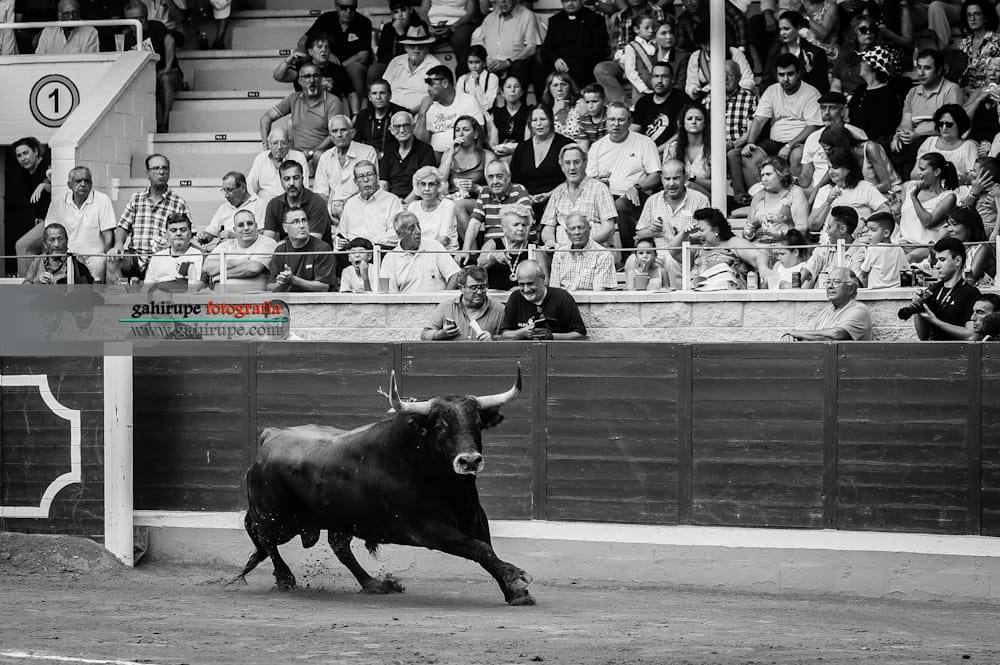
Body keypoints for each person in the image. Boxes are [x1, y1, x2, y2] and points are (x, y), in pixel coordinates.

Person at [728, 53, 823, 205]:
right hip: (775, 141)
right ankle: (761, 200)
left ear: (799, 72)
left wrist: (789, 145)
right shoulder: (772, 91)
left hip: (800, 142)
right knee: (748, 156)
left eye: (790, 74)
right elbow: (759, 120)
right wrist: (750, 142)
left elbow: (813, 126)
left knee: (797, 155)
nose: (785, 79)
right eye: (781, 75)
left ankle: (793, 201)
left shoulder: (811, 93)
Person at [586, 102, 661, 250]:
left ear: (630, 122)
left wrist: (636, 187)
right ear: (606, 121)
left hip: (637, 197)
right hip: (605, 198)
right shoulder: (597, 147)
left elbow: (656, 175)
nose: (616, 124)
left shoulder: (644, 143)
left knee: (620, 204)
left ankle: (629, 253)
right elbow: (589, 180)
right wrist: (599, 182)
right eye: (611, 119)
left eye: (621, 120)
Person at [110, 153, 190, 280]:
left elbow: (188, 235)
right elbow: (123, 227)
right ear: (147, 173)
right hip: (135, 257)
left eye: (165, 168)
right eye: (156, 168)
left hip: (164, 256)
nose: (161, 172)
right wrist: (118, 244)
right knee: (113, 260)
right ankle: (117, 299)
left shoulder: (178, 203)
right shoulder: (136, 199)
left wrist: (170, 245)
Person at [890, 49, 964, 178]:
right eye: (919, 68)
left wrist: (917, 134)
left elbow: (951, 123)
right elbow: (906, 122)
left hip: (936, 137)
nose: (921, 73)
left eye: (927, 68)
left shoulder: (951, 89)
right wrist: (899, 136)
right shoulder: (913, 92)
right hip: (914, 137)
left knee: (912, 150)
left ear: (939, 70)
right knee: (890, 145)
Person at [259, 63, 343, 169]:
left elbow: (334, 134)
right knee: (277, 153)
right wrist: (265, 145)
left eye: (315, 76)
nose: (312, 80)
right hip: (296, 154)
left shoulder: (333, 101)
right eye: (307, 76)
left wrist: (311, 153)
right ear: (300, 81)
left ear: (321, 79)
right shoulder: (294, 98)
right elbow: (266, 118)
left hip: (323, 153)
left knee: (319, 156)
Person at [635, 159, 708, 275]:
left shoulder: (700, 200)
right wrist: (652, 231)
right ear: (661, 178)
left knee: (669, 259)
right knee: (631, 262)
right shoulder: (653, 200)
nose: (671, 183)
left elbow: (707, 236)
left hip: (687, 251)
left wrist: (682, 234)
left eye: (676, 178)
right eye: (667, 179)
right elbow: (640, 233)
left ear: (685, 177)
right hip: (658, 252)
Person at [43, 166, 115, 282]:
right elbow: (49, 234)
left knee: (98, 269)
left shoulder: (102, 200)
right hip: (67, 255)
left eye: (86, 181)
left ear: (91, 184)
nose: (83, 184)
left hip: (95, 257)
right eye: (78, 181)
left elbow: (108, 236)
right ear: (69, 185)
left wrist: (108, 256)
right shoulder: (58, 202)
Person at [669, 207, 769, 290]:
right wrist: (684, 233)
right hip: (698, 296)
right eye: (697, 230)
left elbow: (759, 256)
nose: (698, 234)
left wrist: (763, 268)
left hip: (728, 295)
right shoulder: (698, 250)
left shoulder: (732, 243)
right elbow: (673, 251)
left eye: (702, 230)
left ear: (716, 229)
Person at [121, 1, 183, 134]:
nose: (139, 21)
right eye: (134, 19)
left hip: (169, 74)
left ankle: (164, 123)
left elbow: (170, 41)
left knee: (165, 78)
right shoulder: (127, 37)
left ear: (146, 16)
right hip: (145, 80)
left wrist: (166, 68)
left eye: (141, 17)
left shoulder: (156, 26)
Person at [541, 143, 617, 249]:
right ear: (562, 166)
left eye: (576, 162)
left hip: (594, 250)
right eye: (567, 163)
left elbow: (609, 228)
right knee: (539, 256)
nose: (572, 167)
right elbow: (548, 228)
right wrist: (551, 243)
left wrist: (582, 244)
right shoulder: (557, 192)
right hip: (561, 252)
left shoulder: (600, 189)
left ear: (585, 163)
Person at [299, 0, 373, 105]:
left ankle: (357, 115)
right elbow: (302, 42)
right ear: (336, 6)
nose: (348, 11)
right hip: (326, 64)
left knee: (354, 69)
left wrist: (340, 67)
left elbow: (363, 56)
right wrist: (326, 55)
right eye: (344, 7)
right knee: (309, 65)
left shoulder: (363, 22)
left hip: (350, 66)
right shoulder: (326, 19)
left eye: (352, 8)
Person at [592, 0, 666, 104]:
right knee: (601, 69)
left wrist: (637, 65)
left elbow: (660, 40)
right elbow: (617, 47)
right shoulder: (621, 16)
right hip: (625, 61)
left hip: (649, 62)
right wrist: (626, 66)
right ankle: (620, 105)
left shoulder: (656, 12)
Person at [509, 106, 573, 222]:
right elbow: (514, 180)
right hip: (526, 199)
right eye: (534, 120)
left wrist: (549, 195)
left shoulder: (566, 145)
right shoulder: (522, 147)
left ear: (551, 121)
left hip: (558, 196)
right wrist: (526, 197)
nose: (538, 124)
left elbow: (572, 178)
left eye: (543, 119)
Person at [798, 90, 869, 193]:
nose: (826, 113)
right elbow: (805, 177)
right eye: (823, 108)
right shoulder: (812, 138)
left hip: (847, 188)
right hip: (817, 191)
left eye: (832, 108)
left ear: (843, 111)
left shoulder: (856, 134)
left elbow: (862, 170)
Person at [913, 236, 982, 341]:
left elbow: (972, 335)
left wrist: (935, 321)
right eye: (937, 260)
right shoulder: (933, 290)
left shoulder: (971, 293)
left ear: (957, 261)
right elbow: (923, 336)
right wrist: (918, 310)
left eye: (942, 260)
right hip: (935, 352)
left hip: (960, 354)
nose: (937, 265)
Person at [439, 115, 496, 241]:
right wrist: (450, 156)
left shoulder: (487, 156)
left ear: (475, 134)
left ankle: (471, 252)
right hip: (452, 199)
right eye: (457, 130)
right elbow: (439, 181)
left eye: (465, 129)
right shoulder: (448, 154)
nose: (461, 133)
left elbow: (496, 188)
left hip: (478, 200)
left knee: (458, 205)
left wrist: (476, 187)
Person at [500, 259, 587, 340]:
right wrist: (521, 333)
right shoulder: (515, 298)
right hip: (524, 352)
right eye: (521, 284)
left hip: (557, 353)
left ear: (542, 278)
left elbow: (580, 335)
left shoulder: (562, 297)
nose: (526, 289)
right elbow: (505, 334)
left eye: (530, 284)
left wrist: (553, 336)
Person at [313, 115, 379, 219]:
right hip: (332, 212)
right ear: (330, 136)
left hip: (361, 208)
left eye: (343, 130)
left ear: (352, 133)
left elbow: (371, 186)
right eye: (334, 131)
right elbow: (320, 193)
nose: (339, 135)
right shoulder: (325, 157)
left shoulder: (367, 152)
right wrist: (331, 211)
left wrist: (346, 204)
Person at [808, 148, 889, 233]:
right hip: (828, 243)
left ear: (848, 168)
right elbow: (812, 226)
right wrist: (827, 203)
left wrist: (866, 220)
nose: (831, 171)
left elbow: (886, 209)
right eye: (829, 168)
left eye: (835, 167)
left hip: (857, 242)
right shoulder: (824, 190)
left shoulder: (865, 187)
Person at [272, 32, 357, 114]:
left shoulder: (338, 69)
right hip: (305, 113)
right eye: (319, 47)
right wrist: (288, 61)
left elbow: (351, 93)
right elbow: (278, 76)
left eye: (326, 47)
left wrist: (356, 114)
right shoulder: (301, 68)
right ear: (310, 51)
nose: (324, 50)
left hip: (331, 114)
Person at [470, 0, 541, 94]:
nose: (503, 2)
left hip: (514, 64)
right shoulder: (490, 18)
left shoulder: (527, 16)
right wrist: (486, 59)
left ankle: (519, 107)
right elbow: (478, 42)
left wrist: (508, 61)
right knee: (474, 65)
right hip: (492, 65)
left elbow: (531, 48)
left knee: (518, 66)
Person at [379, 211, 461, 292]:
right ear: (399, 233)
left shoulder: (434, 246)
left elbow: (455, 275)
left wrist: (444, 299)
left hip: (438, 303)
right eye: (411, 228)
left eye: (418, 226)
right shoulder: (390, 259)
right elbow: (389, 294)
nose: (418, 231)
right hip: (407, 304)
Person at [464, 160, 531, 255]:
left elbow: (528, 220)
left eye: (499, 176)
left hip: (516, 245)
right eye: (490, 177)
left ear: (508, 177)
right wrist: (465, 251)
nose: (495, 182)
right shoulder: (484, 192)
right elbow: (474, 224)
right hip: (491, 246)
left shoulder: (519, 190)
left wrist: (514, 250)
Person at [420, 266, 505, 341]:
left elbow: (513, 339)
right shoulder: (446, 307)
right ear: (461, 288)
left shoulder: (500, 310)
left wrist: (494, 338)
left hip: (485, 357)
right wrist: (440, 334)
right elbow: (424, 335)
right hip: (454, 357)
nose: (479, 292)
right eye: (474, 288)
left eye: (482, 287)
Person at [787, 267, 873, 340]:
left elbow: (837, 334)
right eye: (828, 282)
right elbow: (810, 337)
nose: (830, 286)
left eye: (836, 282)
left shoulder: (859, 310)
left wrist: (800, 334)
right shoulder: (824, 313)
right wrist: (794, 338)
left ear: (851, 288)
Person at [416, 64, 486, 154]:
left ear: (445, 83)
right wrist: (422, 112)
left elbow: (479, 133)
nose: (428, 89)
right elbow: (420, 143)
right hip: (435, 156)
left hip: (464, 154)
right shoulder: (428, 106)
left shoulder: (468, 100)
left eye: (431, 84)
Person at [202, 209, 278, 293]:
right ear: (234, 230)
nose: (246, 228)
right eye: (241, 225)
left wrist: (221, 275)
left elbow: (252, 269)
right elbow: (207, 267)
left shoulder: (267, 242)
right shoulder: (226, 244)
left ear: (256, 226)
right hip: (220, 301)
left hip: (253, 301)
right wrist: (235, 262)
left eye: (250, 224)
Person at [539, 0, 608, 90]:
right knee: (540, 69)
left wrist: (572, 61)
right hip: (559, 62)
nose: (570, 4)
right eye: (566, 1)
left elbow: (599, 48)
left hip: (584, 61)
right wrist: (555, 60)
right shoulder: (555, 20)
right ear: (562, 2)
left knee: (579, 68)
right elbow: (546, 48)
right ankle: (544, 103)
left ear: (582, 1)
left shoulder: (595, 19)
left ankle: (577, 101)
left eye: (574, 0)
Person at [8, 137, 52, 275]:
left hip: (53, 220)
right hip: (41, 220)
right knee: (42, 257)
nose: (22, 158)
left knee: (22, 245)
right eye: (19, 155)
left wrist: (44, 186)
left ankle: (25, 287)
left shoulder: (47, 165)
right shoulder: (25, 173)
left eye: (25, 153)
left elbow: (61, 189)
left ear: (36, 151)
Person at [262, 160, 333, 245]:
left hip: (315, 254)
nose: (291, 183)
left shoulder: (317, 202)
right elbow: (267, 239)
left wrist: (282, 246)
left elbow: (312, 241)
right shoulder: (274, 204)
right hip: (287, 253)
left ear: (302, 179)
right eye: (287, 179)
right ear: (281, 181)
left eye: (296, 178)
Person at [899, 152, 959, 251]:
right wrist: (896, 212)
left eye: (922, 169)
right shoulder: (908, 186)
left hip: (926, 249)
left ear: (936, 172)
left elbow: (928, 222)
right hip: (902, 245)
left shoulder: (948, 197)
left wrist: (914, 198)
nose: (918, 173)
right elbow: (905, 222)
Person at [267, 207, 337, 292]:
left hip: (318, 302)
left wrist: (293, 280)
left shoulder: (322, 248)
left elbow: (323, 287)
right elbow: (270, 286)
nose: (302, 225)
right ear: (285, 227)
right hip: (289, 301)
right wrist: (280, 283)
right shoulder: (280, 250)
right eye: (295, 222)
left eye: (304, 220)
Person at [338, 160, 404, 249]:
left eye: (369, 175)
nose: (366, 180)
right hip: (353, 251)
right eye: (361, 176)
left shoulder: (392, 201)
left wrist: (368, 243)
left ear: (377, 177)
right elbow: (342, 233)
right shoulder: (350, 203)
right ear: (355, 181)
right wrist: (341, 241)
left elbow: (396, 234)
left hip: (379, 249)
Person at [684, 24, 755, 105]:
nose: (708, 48)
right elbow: (691, 84)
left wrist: (731, 89)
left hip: (735, 101)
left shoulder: (734, 52)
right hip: (707, 101)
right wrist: (694, 91)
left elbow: (748, 81)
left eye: (710, 43)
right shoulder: (696, 57)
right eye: (704, 44)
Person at [847, 46, 904, 147]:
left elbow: (880, 129)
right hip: (851, 137)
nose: (861, 63)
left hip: (871, 144)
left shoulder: (887, 95)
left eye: (863, 61)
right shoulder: (861, 89)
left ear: (871, 66)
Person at [743, 157, 809, 243]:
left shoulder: (795, 192)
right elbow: (746, 235)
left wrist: (778, 234)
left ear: (781, 175)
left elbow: (803, 228)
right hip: (757, 247)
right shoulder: (758, 196)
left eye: (768, 174)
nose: (764, 179)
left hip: (785, 247)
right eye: (762, 175)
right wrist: (753, 224)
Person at [762, 11, 829, 94]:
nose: (782, 33)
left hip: (806, 99)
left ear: (798, 28)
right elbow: (766, 80)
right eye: (780, 29)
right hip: (778, 97)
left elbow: (821, 86)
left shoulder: (815, 52)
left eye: (786, 29)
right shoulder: (775, 50)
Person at [630, 61, 692, 152]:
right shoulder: (643, 102)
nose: (659, 81)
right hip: (645, 151)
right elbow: (635, 128)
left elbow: (681, 134)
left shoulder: (682, 99)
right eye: (656, 76)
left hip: (670, 151)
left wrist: (656, 151)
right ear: (651, 79)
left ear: (672, 79)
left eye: (664, 76)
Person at [911, 104, 980, 185]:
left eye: (949, 124)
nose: (944, 128)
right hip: (926, 189)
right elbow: (913, 174)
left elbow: (972, 178)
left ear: (959, 124)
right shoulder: (929, 142)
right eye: (941, 124)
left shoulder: (969, 147)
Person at [800, 206, 866, 289]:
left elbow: (856, 285)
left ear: (842, 229)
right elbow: (807, 271)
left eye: (829, 227)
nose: (826, 231)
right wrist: (794, 286)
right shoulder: (825, 247)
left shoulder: (861, 251)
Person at [549, 213, 618, 291]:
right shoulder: (559, 253)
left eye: (581, 228)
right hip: (563, 301)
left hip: (589, 301)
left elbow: (598, 294)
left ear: (589, 229)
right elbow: (554, 289)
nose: (577, 232)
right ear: (566, 232)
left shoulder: (603, 255)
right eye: (572, 228)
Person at [198, 172, 268, 248]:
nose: (226, 195)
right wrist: (205, 236)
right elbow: (212, 231)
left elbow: (262, 234)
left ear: (242, 188)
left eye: (230, 190)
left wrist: (235, 236)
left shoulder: (259, 204)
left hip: (249, 251)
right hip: (224, 250)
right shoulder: (224, 207)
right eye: (224, 190)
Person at [383, 25, 442, 113]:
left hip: (419, 113)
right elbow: (383, 88)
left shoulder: (435, 65)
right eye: (412, 45)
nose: (416, 49)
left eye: (420, 45)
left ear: (427, 47)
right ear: (405, 47)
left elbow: (434, 97)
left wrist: (410, 112)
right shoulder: (396, 62)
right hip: (389, 111)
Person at [379, 110, 437, 200]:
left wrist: (405, 203)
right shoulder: (389, 150)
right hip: (392, 200)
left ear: (413, 127)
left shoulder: (425, 150)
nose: (402, 130)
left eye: (406, 125)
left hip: (417, 200)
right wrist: (389, 202)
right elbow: (383, 183)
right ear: (391, 130)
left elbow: (424, 183)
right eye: (397, 126)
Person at [478, 204, 535, 290]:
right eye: (515, 225)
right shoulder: (492, 244)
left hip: (524, 297)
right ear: (504, 228)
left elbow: (544, 280)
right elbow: (479, 267)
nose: (521, 228)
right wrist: (492, 256)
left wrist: (521, 289)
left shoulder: (533, 248)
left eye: (524, 225)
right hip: (494, 297)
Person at [371, 0, 429, 84]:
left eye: (404, 10)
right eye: (396, 12)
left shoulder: (419, 26)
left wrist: (401, 34)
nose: (400, 15)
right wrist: (394, 64)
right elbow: (381, 55)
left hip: (413, 65)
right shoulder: (388, 28)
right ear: (392, 14)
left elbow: (416, 53)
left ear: (411, 10)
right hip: (391, 65)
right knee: (374, 69)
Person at [247, 127, 311, 201]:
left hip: (290, 203)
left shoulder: (298, 157)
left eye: (283, 143)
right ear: (269, 144)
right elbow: (251, 188)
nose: (279, 147)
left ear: (289, 143)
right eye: (275, 143)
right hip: (264, 205)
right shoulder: (261, 158)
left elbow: (304, 187)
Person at [143, 213, 204, 288]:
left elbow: (195, 287)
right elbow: (146, 289)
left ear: (190, 233)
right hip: (158, 298)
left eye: (183, 230)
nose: (178, 233)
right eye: (173, 230)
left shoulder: (198, 255)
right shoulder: (157, 257)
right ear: (166, 234)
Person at [663, 103, 711, 198]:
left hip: (706, 198)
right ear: (683, 124)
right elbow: (665, 179)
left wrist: (692, 179)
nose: (693, 122)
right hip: (674, 196)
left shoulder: (713, 149)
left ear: (705, 123)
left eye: (698, 119)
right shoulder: (672, 148)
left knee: (688, 185)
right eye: (689, 119)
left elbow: (718, 185)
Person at [23, 223, 94, 285]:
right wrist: (37, 281)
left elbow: (86, 287)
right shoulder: (38, 260)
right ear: (45, 244)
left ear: (67, 241)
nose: (56, 244)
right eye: (52, 240)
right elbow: (25, 287)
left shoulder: (76, 259)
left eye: (60, 239)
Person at [940, 205, 995, 285]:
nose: (949, 229)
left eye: (954, 224)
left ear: (969, 226)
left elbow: (970, 279)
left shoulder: (983, 249)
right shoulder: (954, 250)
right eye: (948, 225)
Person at [420, 0, 477, 76]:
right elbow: (423, 11)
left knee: (460, 38)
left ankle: (462, 79)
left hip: (460, 24)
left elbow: (471, 13)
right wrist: (428, 27)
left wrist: (453, 27)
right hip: (432, 25)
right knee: (418, 37)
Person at [406, 166, 457, 250]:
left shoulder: (448, 205)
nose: (426, 189)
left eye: (431, 184)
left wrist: (422, 254)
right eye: (423, 184)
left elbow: (444, 240)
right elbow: (408, 238)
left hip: (442, 253)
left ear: (439, 186)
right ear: (417, 186)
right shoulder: (413, 206)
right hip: (418, 253)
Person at [354, 80, 407, 159]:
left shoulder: (400, 114)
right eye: (374, 93)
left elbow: (406, 144)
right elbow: (356, 143)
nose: (378, 97)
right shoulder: (362, 115)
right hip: (367, 159)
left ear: (390, 95)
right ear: (369, 97)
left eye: (382, 93)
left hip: (395, 160)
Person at [958, 0, 1000, 96]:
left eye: (976, 14)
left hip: (988, 94)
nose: (972, 18)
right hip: (964, 93)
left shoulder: (997, 42)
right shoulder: (963, 43)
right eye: (969, 15)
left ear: (985, 17)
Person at [490, 75, 532, 158]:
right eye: (508, 87)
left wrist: (513, 150)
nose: (512, 90)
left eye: (516, 87)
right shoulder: (496, 113)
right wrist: (497, 150)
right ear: (502, 93)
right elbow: (493, 142)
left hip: (523, 153)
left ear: (522, 92)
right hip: (501, 154)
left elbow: (528, 142)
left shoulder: (529, 112)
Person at [457, 45, 499, 111]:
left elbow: (487, 106)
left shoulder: (492, 78)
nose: (474, 66)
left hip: (485, 115)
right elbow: (459, 103)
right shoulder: (462, 79)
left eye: (477, 62)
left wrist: (476, 84)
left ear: (484, 63)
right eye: (470, 62)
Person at [541, 71, 583, 138]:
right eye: (555, 85)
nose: (559, 89)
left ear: (570, 87)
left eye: (563, 84)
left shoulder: (581, 104)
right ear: (549, 88)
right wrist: (554, 111)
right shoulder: (543, 110)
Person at [573, 84, 609, 153]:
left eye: (595, 101)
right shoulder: (584, 120)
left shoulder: (610, 117)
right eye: (587, 102)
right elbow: (583, 146)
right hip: (592, 156)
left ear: (604, 101)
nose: (590, 106)